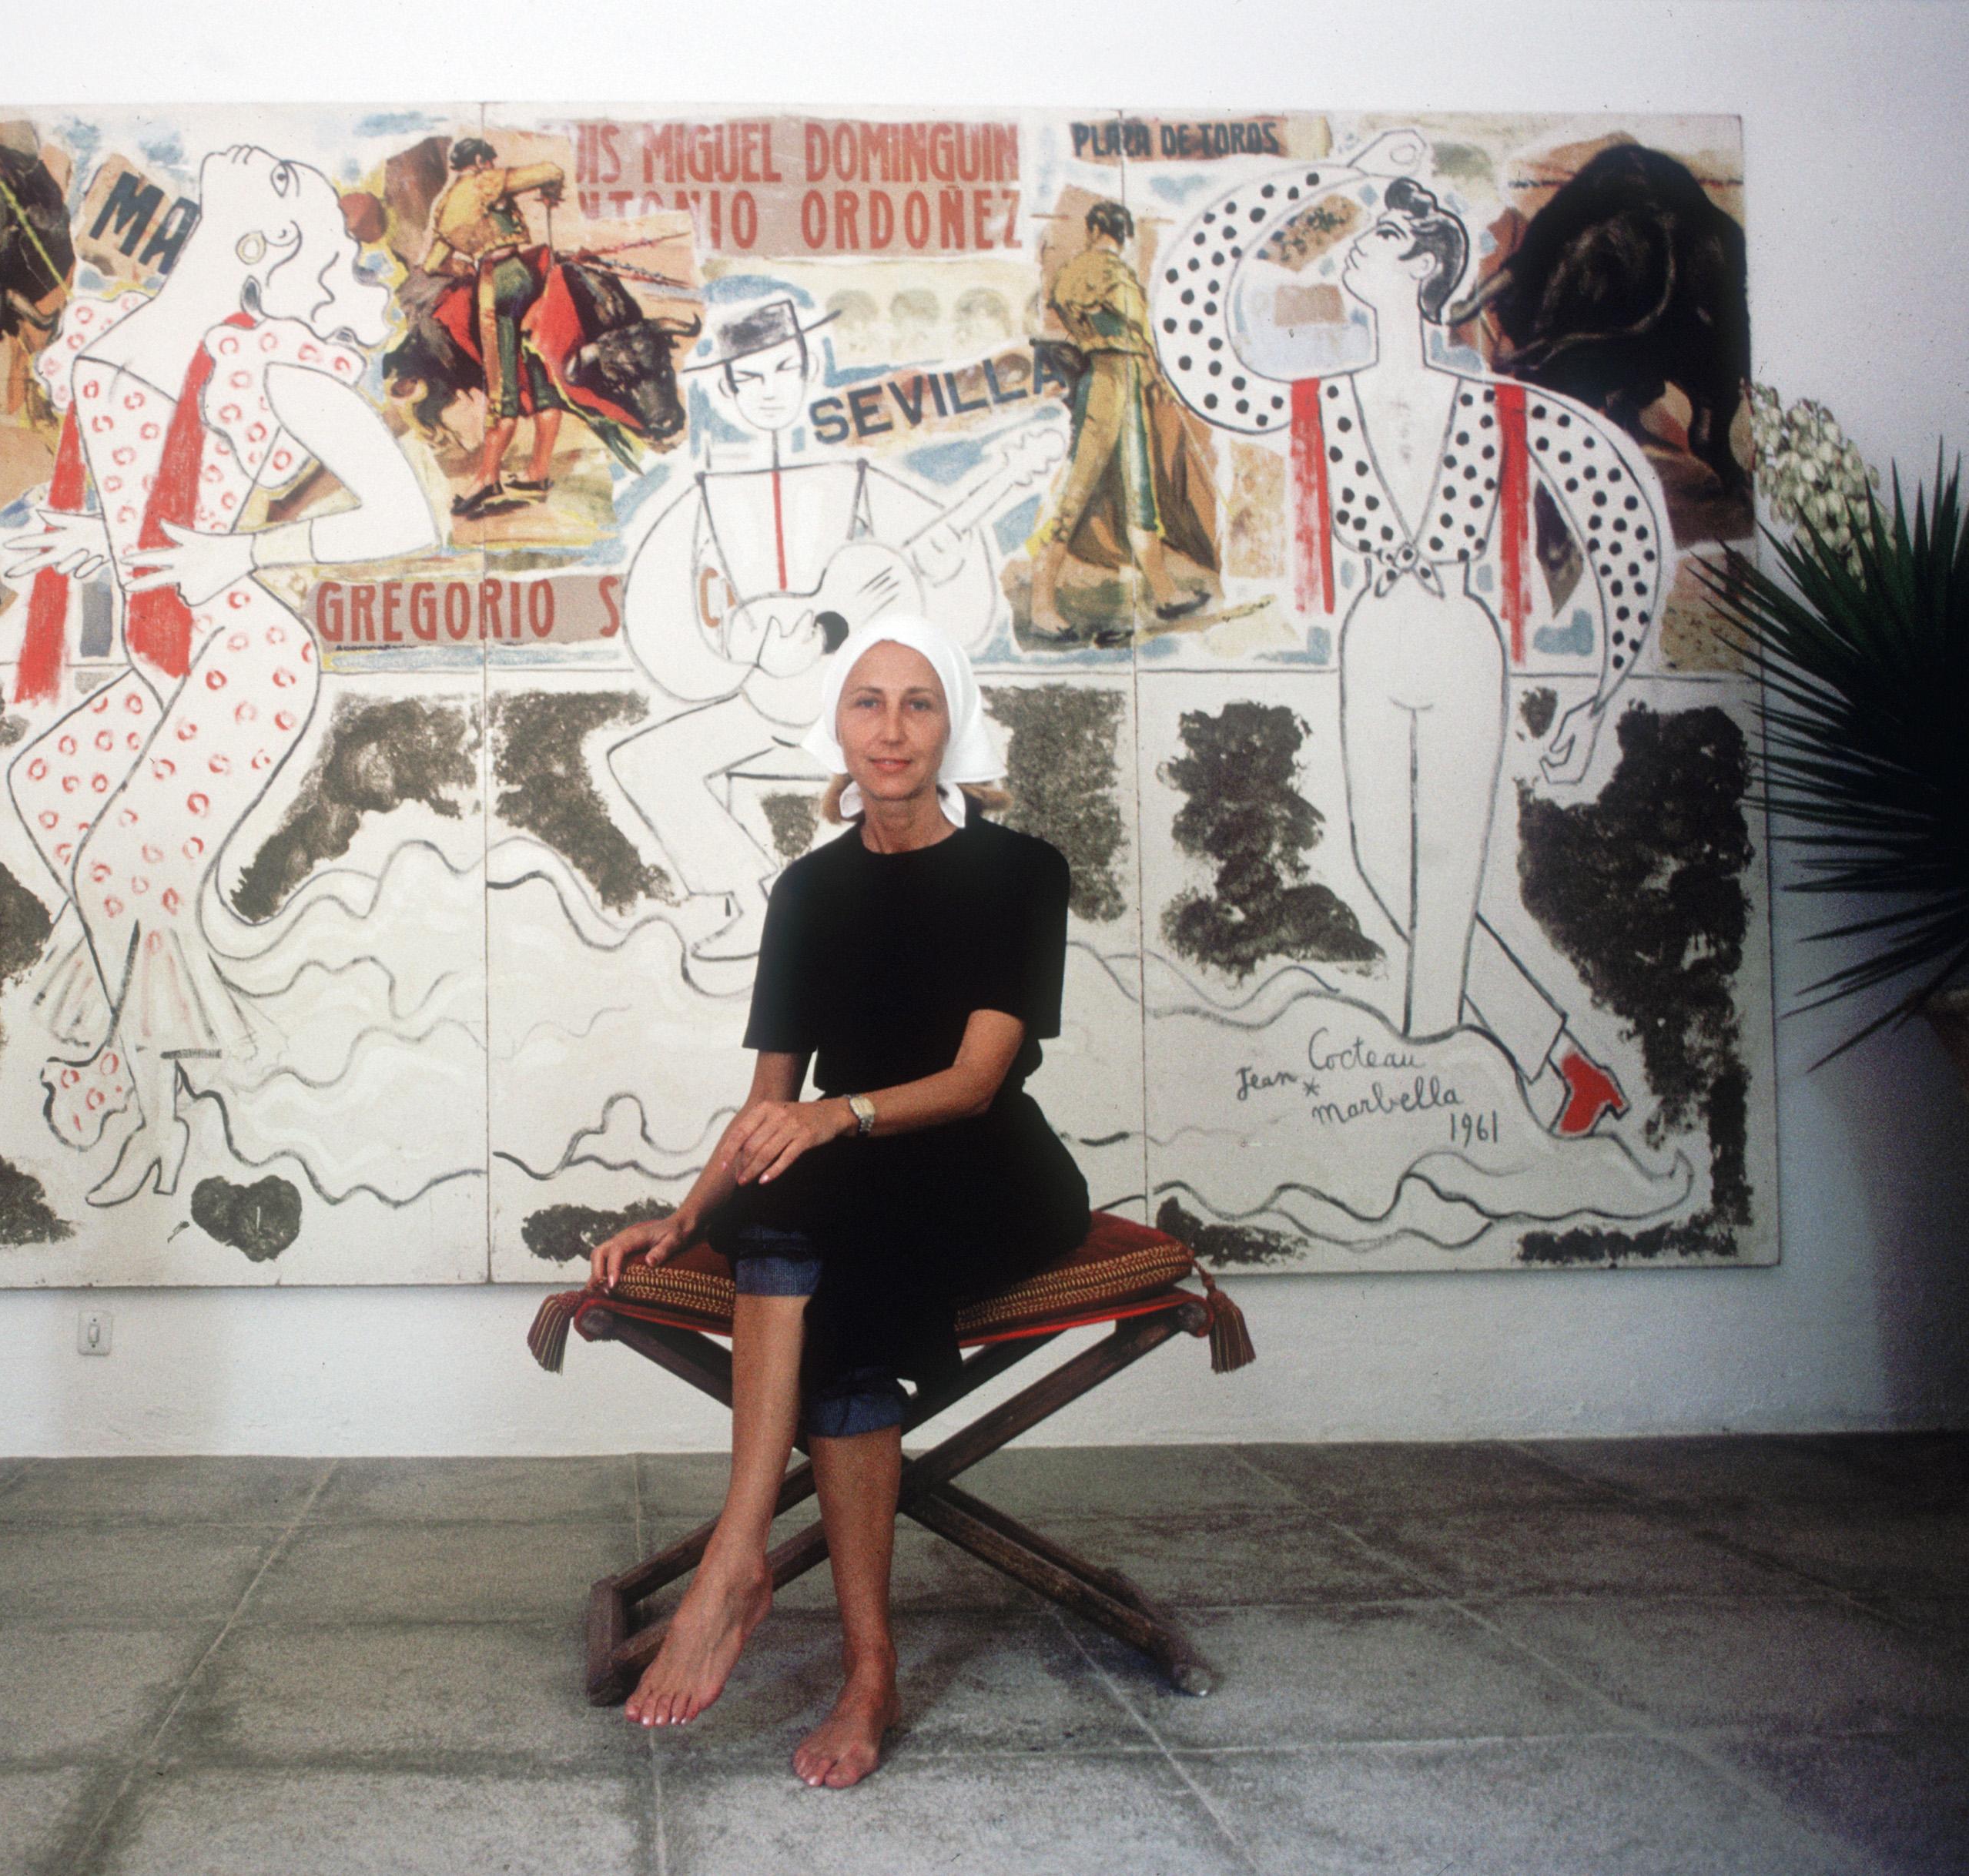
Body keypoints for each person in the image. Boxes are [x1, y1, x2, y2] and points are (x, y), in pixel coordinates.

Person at [588, 614, 1090, 1788]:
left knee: (817, 1218)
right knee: (809, 1254)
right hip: (849, 1180)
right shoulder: (809, 890)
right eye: (868, 702)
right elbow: (770, 1101)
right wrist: (686, 1213)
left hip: (996, 1171)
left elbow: (974, 1082)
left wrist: (837, 1114)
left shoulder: (1021, 871)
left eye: (918, 702)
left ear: (952, 723)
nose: (892, 728)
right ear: (838, 727)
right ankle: (861, 1664)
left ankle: (733, 1563)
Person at [1144, 132, 1657, 1136]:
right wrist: (1334, 175)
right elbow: (1195, 333)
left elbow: (1619, 519)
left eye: (1379, 232)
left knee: (1450, 868)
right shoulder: (1319, 402)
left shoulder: (1498, 404)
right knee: (1386, 863)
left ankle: (1439, 1089)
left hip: (1463, 637)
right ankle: (1559, 1061)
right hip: (1373, 636)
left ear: (1425, 264)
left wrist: (1599, 695)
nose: (1355, 246)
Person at [0, 144, 440, 1202]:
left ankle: (149, 1118)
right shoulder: (106, 331)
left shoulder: (266, 361)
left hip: (244, 654)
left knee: (120, 873)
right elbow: (145, 506)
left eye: (280, 187)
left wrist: (246, 553)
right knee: (49, 787)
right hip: (167, 651)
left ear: (264, 242)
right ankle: (136, 1064)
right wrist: (84, 548)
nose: (262, 172)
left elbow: (409, 515)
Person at [611, 295, 1004, 960]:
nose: (770, 392)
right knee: (645, 760)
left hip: (856, 714)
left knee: (914, 764)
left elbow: (949, 576)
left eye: (784, 370)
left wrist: (948, 565)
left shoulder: (854, 474)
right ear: (727, 391)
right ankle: (752, 901)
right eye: (751, 379)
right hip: (766, 701)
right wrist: (739, 645)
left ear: (807, 371)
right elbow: (664, 610)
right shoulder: (706, 491)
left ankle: (906, 917)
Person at [1030, 199, 1219, 639]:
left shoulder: (1093, 272)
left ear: (1096, 228)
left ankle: (1165, 591)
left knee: (1140, 491)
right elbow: (1121, 318)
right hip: (1107, 380)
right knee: (1080, 488)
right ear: (1116, 233)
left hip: (1127, 381)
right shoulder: (1101, 272)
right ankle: (1042, 602)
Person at [414, 136, 568, 513]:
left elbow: (433, 264)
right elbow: (552, 171)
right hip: (521, 277)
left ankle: (487, 479)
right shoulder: (487, 181)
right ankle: (536, 472)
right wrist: (551, 191)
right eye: (489, 160)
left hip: (492, 284)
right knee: (539, 373)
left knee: (504, 384)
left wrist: (462, 265)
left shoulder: (445, 206)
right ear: (480, 160)